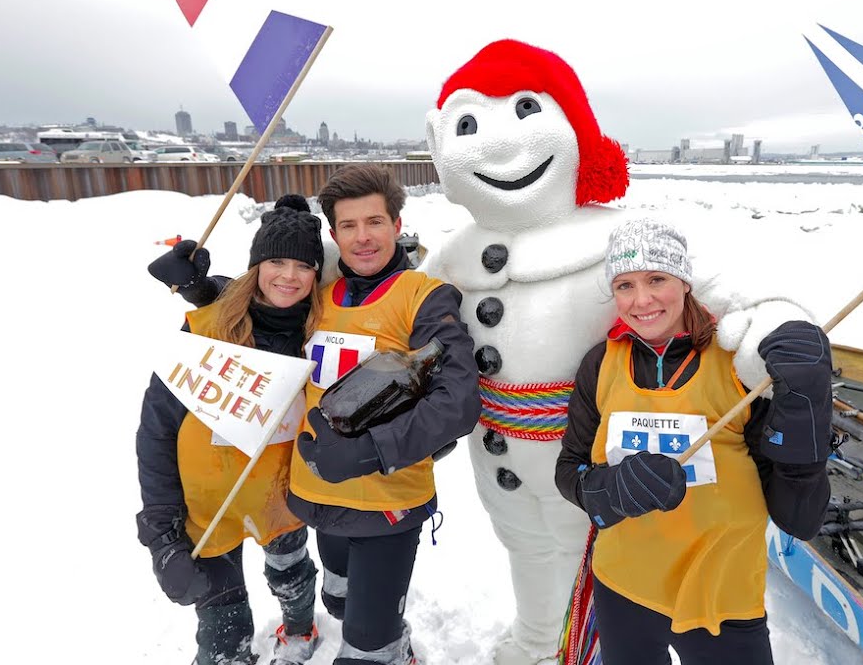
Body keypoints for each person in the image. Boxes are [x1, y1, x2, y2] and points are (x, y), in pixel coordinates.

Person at [423, 38, 823, 665]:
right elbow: (392, 297)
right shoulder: (452, 254)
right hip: (497, 454)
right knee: (526, 552)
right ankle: (536, 641)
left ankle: (587, 647)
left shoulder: (617, 237)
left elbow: (722, 286)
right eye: (468, 125)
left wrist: (778, 323)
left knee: (605, 564)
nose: (496, 146)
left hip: (594, 448)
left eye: (528, 111)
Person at [150, 165, 482, 665]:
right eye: (348, 226)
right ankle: (357, 617)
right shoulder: (320, 294)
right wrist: (203, 289)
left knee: (367, 647)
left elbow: (458, 401)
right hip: (315, 498)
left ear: (397, 223)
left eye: (375, 222)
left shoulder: (424, 297)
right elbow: (266, 302)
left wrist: (372, 451)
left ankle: (389, 647)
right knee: (338, 599)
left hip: (385, 503)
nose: (363, 237)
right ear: (334, 234)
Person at [554, 217, 834, 665]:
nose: (641, 300)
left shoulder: (738, 364)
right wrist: (611, 489)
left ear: (684, 281)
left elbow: (799, 517)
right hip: (623, 585)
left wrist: (809, 409)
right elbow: (569, 468)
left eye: (656, 279)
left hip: (721, 594)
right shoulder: (601, 364)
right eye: (624, 285)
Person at [136, 194, 327, 665]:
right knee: (224, 632)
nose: (288, 275)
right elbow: (156, 429)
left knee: (292, 577)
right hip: (207, 509)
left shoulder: (324, 334)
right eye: (275, 260)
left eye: (303, 265)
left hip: (281, 499)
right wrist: (162, 534)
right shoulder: (207, 330)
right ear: (255, 266)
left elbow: (378, 287)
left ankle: (300, 630)